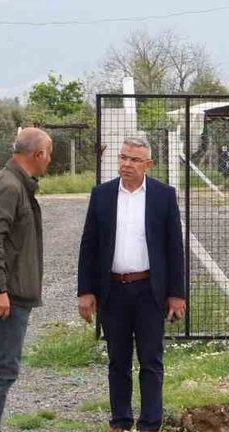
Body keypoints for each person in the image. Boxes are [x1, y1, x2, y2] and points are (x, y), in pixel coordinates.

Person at [77, 135, 186, 432]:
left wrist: (176, 294)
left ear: (148, 164)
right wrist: (85, 291)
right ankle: (121, 421)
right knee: (118, 360)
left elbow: (174, 247)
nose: (126, 164)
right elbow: (89, 245)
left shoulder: (163, 196)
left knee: (151, 360)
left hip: (149, 290)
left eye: (134, 159)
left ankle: (150, 423)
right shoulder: (102, 195)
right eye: (123, 157)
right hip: (112, 290)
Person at [0, 127, 53, 432]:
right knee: (2, 370)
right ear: (38, 154)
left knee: (4, 370)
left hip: (12, 293)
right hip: (7, 297)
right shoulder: (10, 186)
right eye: (49, 154)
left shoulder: (15, 183)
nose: (50, 160)